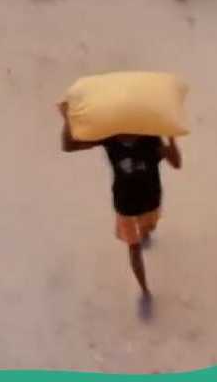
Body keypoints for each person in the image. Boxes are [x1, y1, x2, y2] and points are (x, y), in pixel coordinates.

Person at [58, 103, 182, 303]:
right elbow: (68, 146)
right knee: (134, 250)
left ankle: (147, 233)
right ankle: (144, 289)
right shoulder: (110, 139)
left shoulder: (150, 139)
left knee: (147, 230)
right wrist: (66, 120)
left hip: (151, 202)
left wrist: (172, 139)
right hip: (125, 207)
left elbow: (176, 163)